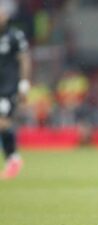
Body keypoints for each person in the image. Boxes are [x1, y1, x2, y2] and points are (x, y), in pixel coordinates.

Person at [0, 1, 31, 180]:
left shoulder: (14, 36)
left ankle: (13, 158)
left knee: (2, 122)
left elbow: (24, 59)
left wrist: (24, 84)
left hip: (8, 87)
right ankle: (12, 158)